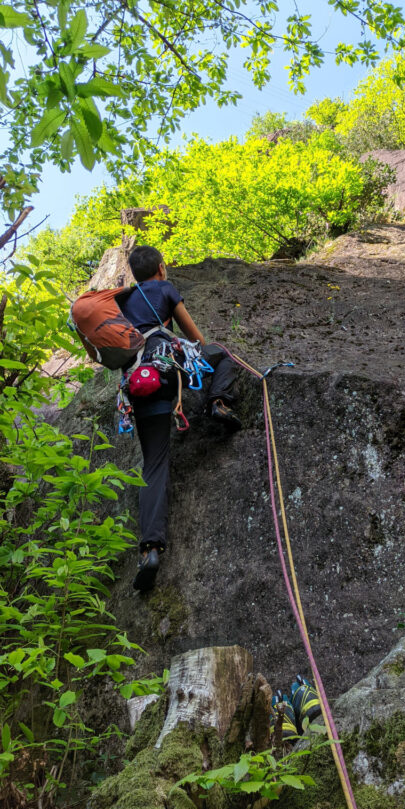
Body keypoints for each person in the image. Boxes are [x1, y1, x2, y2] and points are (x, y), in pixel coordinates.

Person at [120, 244, 242, 591]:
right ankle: (219, 402)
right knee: (222, 355)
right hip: (168, 369)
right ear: (161, 268)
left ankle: (150, 550)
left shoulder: (124, 299)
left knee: (154, 466)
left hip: (139, 383)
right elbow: (195, 337)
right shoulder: (165, 288)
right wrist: (202, 346)